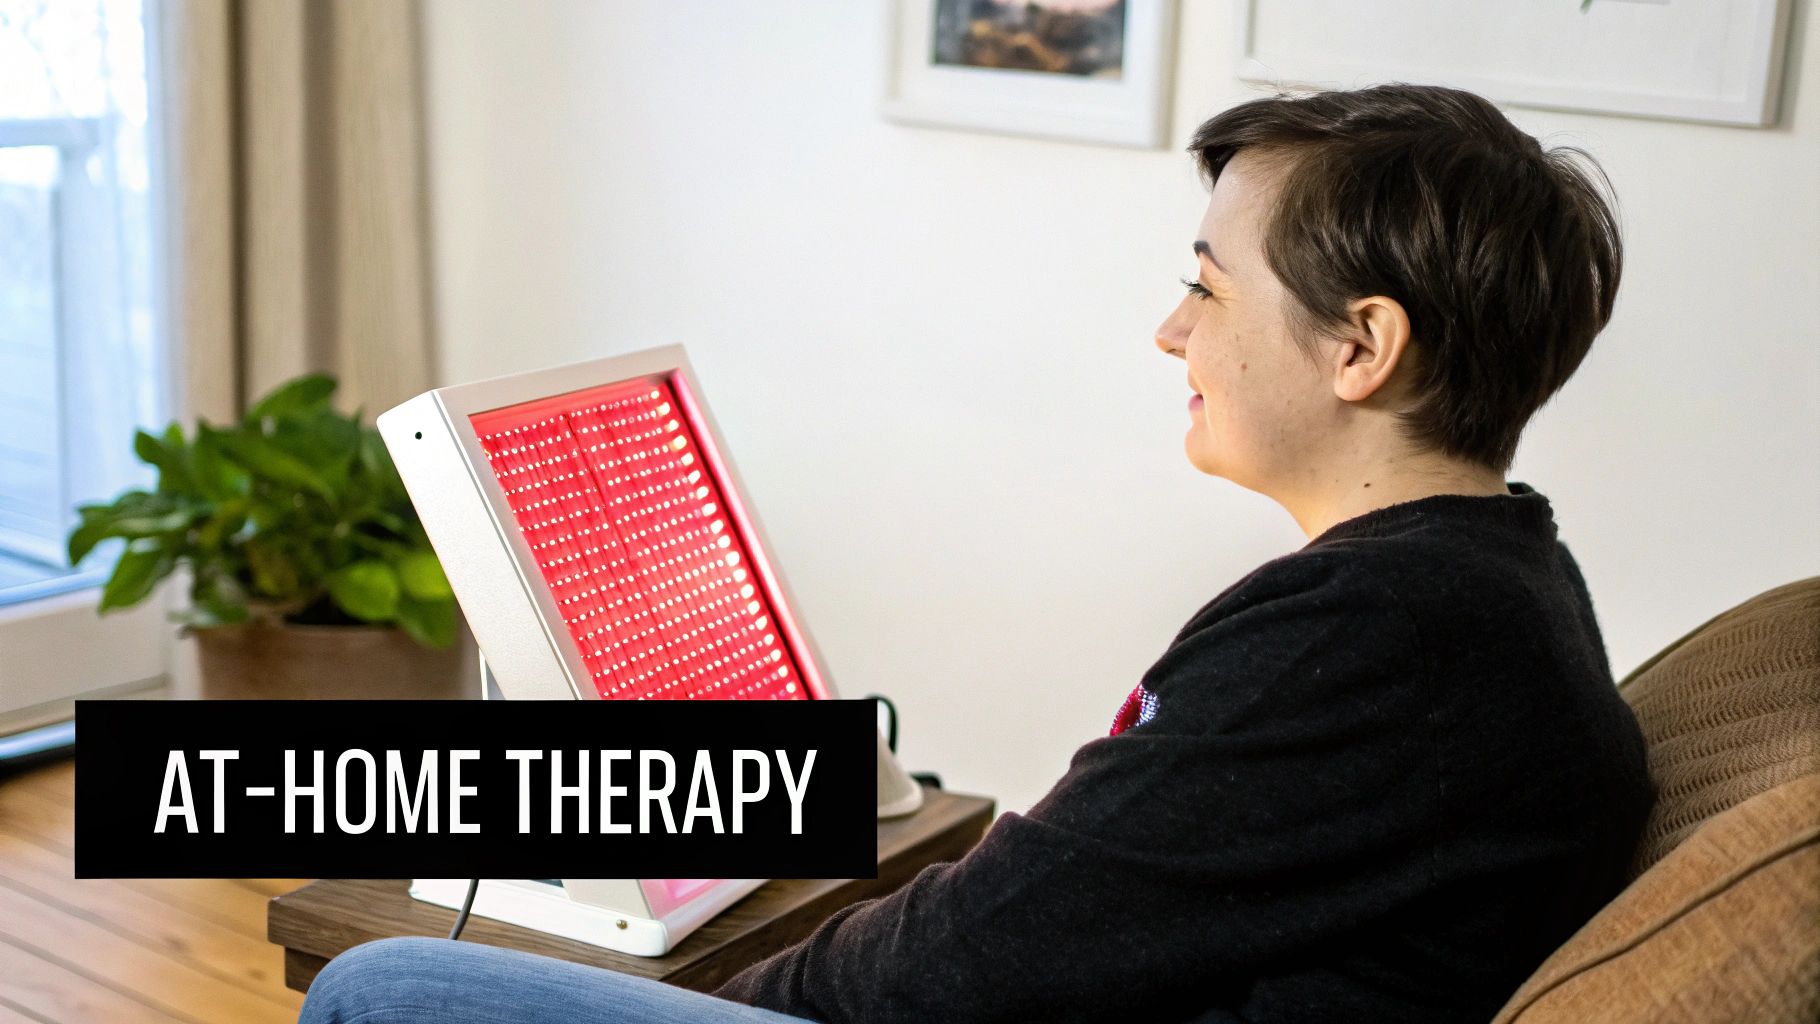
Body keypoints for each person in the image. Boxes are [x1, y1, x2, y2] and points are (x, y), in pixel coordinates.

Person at [298, 83, 1653, 1024]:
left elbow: (974, 964)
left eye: (1206, 285)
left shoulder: (1382, 633)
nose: (1171, 332)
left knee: (388, 989)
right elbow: (1091, 892)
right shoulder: (1497, 578)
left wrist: (704, 1007)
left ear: (1362, 346)